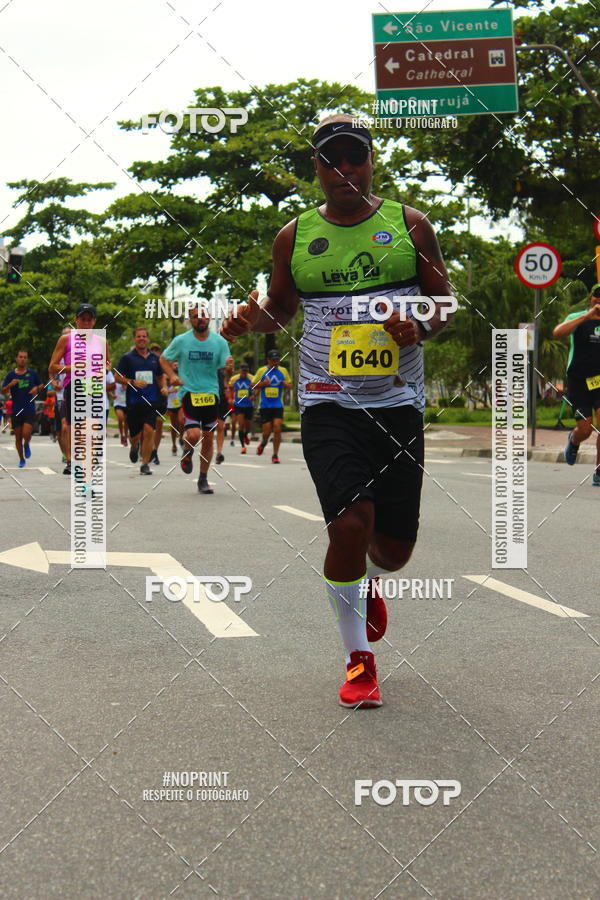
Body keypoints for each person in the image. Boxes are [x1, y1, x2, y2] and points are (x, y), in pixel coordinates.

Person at [221, 114, 453, 707]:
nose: (344, 169)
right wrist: (250, 321)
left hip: (398, 405)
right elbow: (279, 308)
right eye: (331, 160)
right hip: (328, 403)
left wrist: (419, 324)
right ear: (317, 168)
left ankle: (369, 581)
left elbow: (444, 305)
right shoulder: (293, 238)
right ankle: (358, 661)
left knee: (393, 551)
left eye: (354, 158)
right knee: (348, 525)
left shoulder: (410, 226)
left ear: (370, 161)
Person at [160, 304, 229, 494]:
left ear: (209, 318)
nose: (200, 318)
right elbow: (163, 360)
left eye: (204, 315)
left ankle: (203, 479)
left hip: (211, 394)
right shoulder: (181, 341)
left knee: (208, 439)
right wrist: (172, 376)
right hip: (189, 393)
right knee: (193, 435)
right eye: (195, 315)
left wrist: (230, 366)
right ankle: (188, 450)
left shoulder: (219, 342)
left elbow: (225, 367)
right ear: (190, 319)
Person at [49, 306, 110, 476]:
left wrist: (103, 369)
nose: (86, 322)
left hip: (95, 388)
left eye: (89, 319)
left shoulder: (102, 342)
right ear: (76, 320)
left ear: (94, 321)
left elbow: (108, 364)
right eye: (82, 319)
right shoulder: (66, 340)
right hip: (74, 387)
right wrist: (73, 368)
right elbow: (52, 367)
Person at [553, 282, 600, 484]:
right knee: (586, 428)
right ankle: (574, 440)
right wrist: (587, 316)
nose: (599, 300)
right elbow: (558, 333)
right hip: (579, 380)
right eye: (596, 296)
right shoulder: (578, 318)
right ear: (591, 298)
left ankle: (599, 472)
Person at [115, 327, 164, 475]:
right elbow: (117, 377)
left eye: (144, 336)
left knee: (149, 431)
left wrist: (164, 388)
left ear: (147, 339)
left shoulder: (155, 358)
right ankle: (134, 445)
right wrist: (132, 382)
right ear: (134, 339)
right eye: (138, 336)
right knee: (135, 435)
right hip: (134, 402)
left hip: (151, 401)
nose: (141, 338)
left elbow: (160, 376)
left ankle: (145, 464)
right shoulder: (127, 358)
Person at [1, 350, 44, 467]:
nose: (22, 359)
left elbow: (41, 385)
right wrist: (10, 385)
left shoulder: (32, 373)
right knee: (18, 436)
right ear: (16, 359)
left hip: (29, 407)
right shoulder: (11, 375)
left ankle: (27, 444)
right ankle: (21, 459)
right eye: (20, 357)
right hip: (16, 409)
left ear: (27, 359)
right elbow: (3, 390)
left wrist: (36, 388)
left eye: (25, 357)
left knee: (26, 433)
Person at [252, 349, 292, 463]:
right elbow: (252, 384)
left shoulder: (283, 371)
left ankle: (275, 455)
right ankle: (263, 443)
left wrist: (286, 384)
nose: (275, 362)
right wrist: (263, 384)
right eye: (273, 360)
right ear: (268, 360)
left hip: (278, 405)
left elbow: (290, 384)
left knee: (277, 428)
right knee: (266, 432)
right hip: (265, 406)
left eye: (277, 360)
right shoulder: (262, 371)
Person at [230, 362, 254, 454]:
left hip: (249, 405)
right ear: (239, 370)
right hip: (238, 405)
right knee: (241, 425)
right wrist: (230, 398)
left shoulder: (252, 378)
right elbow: (229, 388)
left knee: (248, 427)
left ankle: (245, 435)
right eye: (243, 370)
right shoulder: (234, 379)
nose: (244, 372)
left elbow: (258, 388)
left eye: (246, 371)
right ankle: (243, 446)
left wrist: (254, 396)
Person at [149, 342, 167, 465]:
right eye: (153, 350)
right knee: (148, 427)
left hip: (160, 399)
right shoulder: (146, 363)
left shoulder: (163, 364)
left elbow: (167, 378)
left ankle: (154, 451)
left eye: (157, 350)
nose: (155, 352)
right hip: (147, 398)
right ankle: (145, 448)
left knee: (159, 425)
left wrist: (165, 387)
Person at [215, 355, 235, 464]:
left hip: (221, 397)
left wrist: (230, 367)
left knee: (220, 426)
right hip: (208, 395)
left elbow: (227, 378)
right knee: (207, 428)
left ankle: (219, 452)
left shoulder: (223, 364)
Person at [166, 361, 182, 455]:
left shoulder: (183, 375)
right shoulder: (168, 376)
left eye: (177, 364)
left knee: (181, 421)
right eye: (174, 364)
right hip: (171, 403)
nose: (176, 366)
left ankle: (181, 437)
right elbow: (165, 387)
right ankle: (174, 444)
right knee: (174, 425)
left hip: (180, 403)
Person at [113, 377, 129, 446]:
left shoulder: (129, 381)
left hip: (127, 403)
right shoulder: (116, 381)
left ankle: (125, 437)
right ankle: (121, 434)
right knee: (120, 418)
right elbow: (108, 386)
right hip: (118, 403)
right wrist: (111, 395)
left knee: (126, 422)